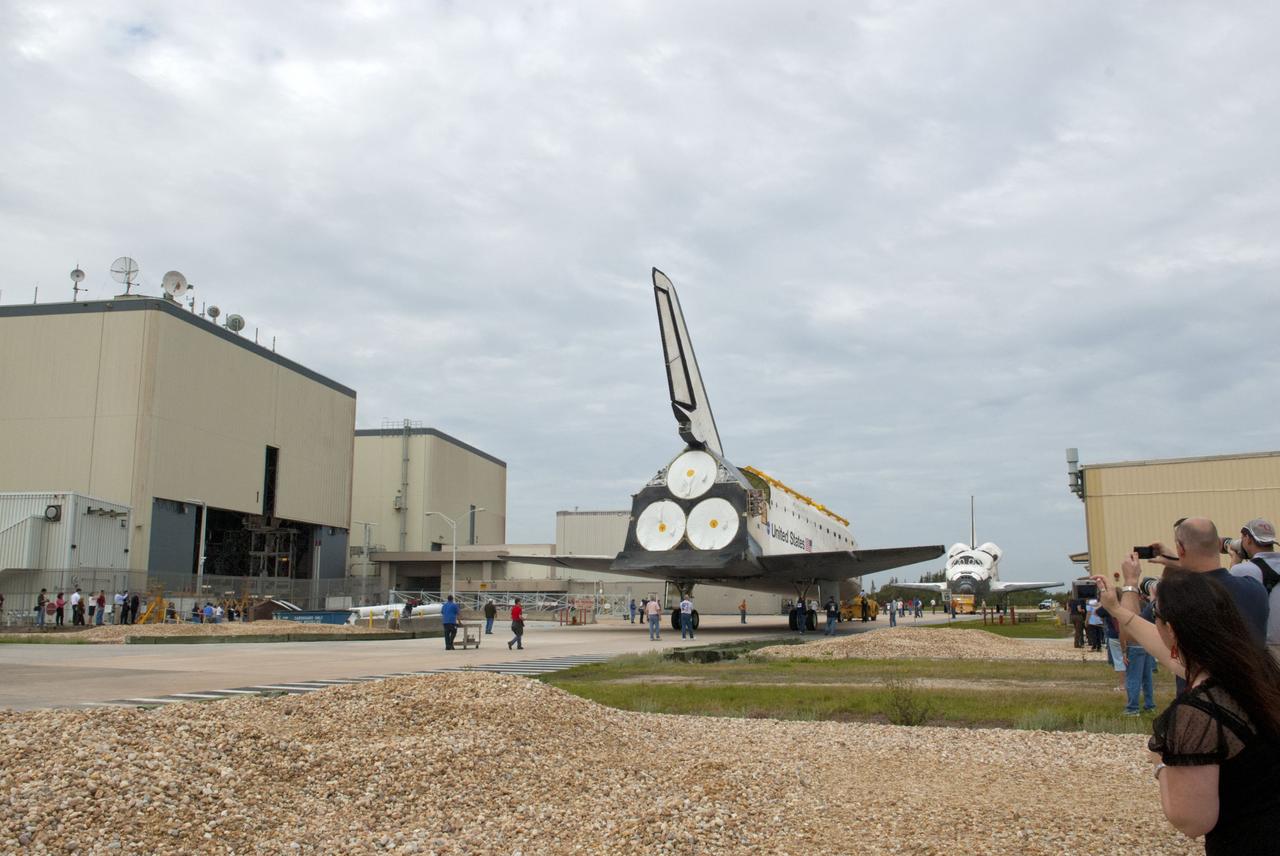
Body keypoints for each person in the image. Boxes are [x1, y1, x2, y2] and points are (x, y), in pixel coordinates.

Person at [1096, 569, 1280, 853]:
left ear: (1172, 630)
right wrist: (1117, 609)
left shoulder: (1197, 714)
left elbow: (1193, 822)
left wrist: (1161, 764)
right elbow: (1169, 653)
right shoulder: (1256, 671)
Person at [1227, 518, 1280, 663]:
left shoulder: (1243, 570)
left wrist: (1235, 560)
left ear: (1247, 539)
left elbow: (1227, 598)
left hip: (1268, 649)